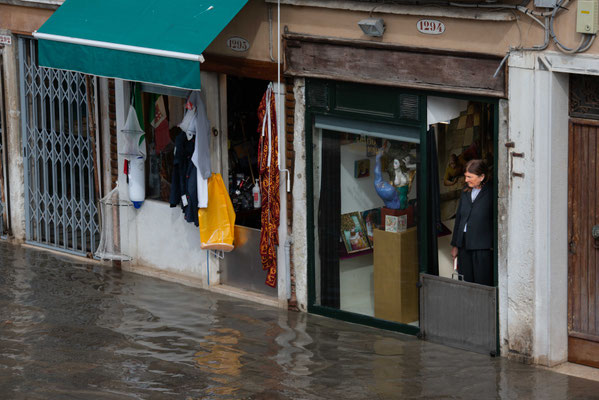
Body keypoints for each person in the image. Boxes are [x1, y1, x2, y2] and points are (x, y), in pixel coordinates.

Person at [450, 159, 493, 286]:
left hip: (482, 247)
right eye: (465, 176)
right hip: (464, 245)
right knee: (465, 282)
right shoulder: (465, 191)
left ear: (481, 177)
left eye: (470, 177)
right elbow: (459, 218)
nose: (466, 180)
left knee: (482, 283)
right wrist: (455, 245)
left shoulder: (492, 192)